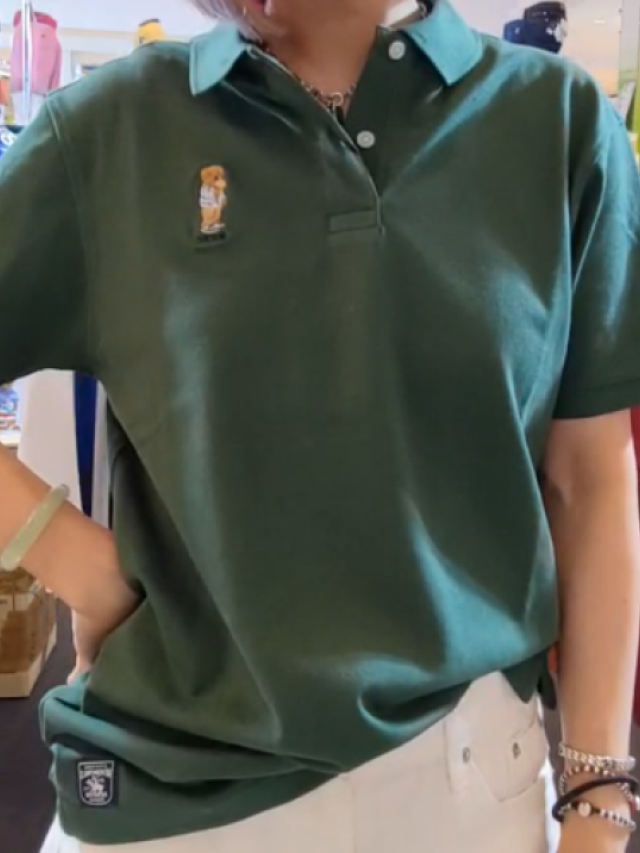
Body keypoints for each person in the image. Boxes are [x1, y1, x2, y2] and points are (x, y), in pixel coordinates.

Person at [1, 1, 639, 851]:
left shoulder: (556, 122)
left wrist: (598, 795)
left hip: (466, 779)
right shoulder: (109, 131)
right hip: (164, 792)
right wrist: (75, 559)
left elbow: (590, 477)